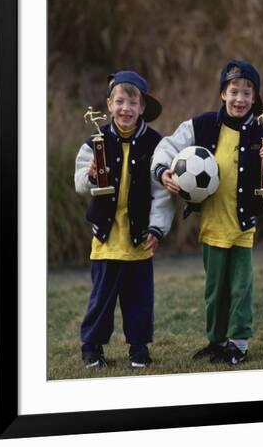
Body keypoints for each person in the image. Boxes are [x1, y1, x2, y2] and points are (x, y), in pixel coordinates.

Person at [151, 59, 263, 366]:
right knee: (214, 292)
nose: (240, 99)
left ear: (255, 98)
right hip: (212, 226)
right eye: (233, 91)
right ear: (223, 94)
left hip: (242, 227)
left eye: (246, 93)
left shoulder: (261, 132)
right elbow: (167, 146)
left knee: (240, 288)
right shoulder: (201, 125)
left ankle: (238, 344)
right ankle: (217, 341)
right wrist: (162, 171)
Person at [75, 71, 172, 369]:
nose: (126, 108)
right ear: (109, 104)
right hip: (106, 238)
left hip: (139, 237)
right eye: (120, 101)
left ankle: (139, 348)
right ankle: (92, 347)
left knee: (139, 299)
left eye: (133, 102)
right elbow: (79, 183)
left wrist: (158, 227)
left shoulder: (155, 144)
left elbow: (162, 193)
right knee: (101, 299)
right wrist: (89, 175)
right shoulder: (96, 141)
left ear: (142, 107)